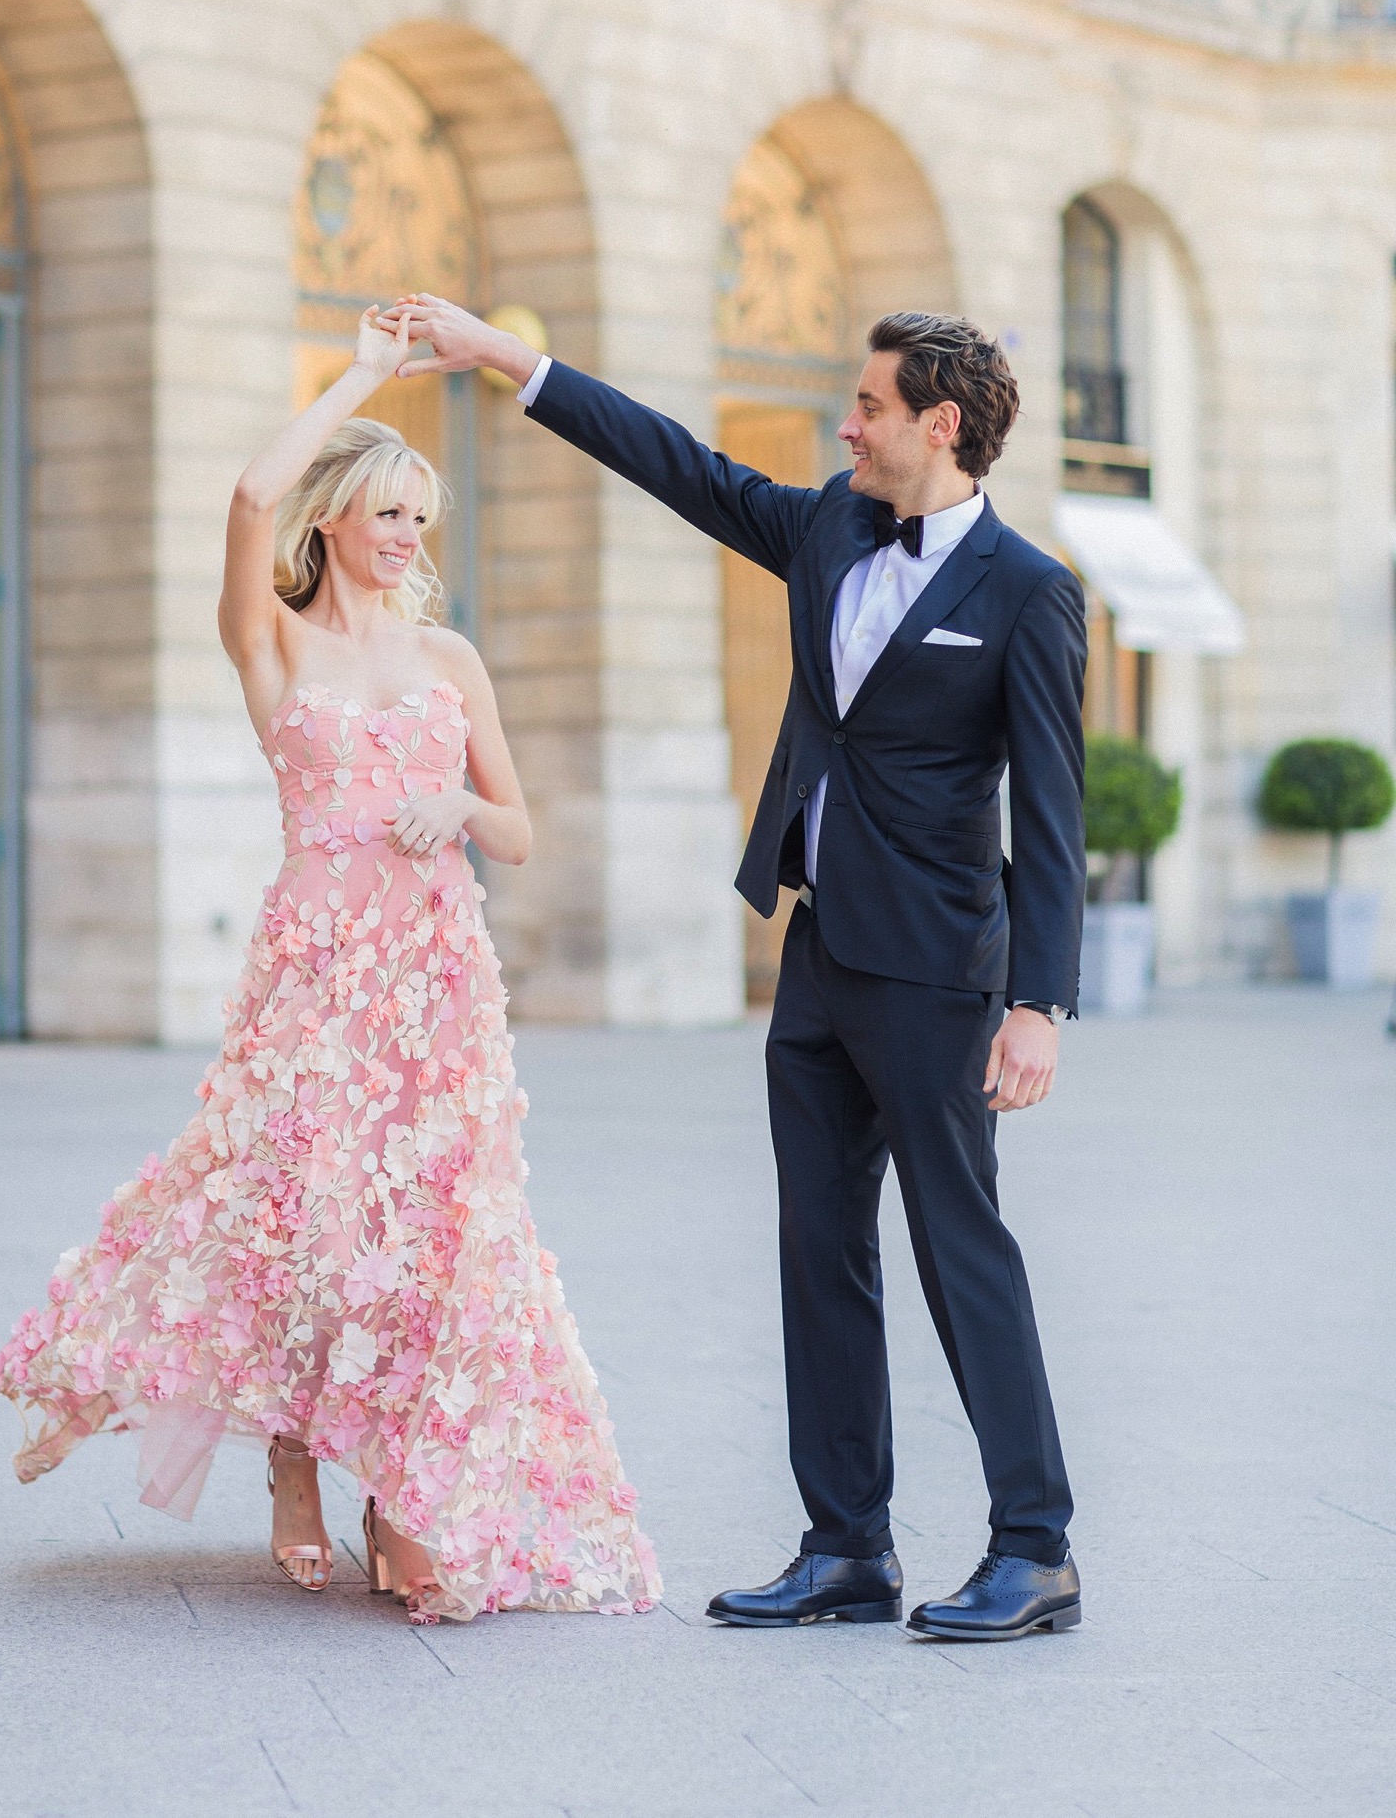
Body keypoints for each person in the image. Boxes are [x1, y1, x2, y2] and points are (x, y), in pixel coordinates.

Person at [381, 296, 1086, 1642]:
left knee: (959, 1249)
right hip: (817, 951)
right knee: (818, 1247)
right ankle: (845, 1548)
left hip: (942, 970)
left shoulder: (1031, 593)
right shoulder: (827, 524)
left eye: (869, 406)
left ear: (939, 425)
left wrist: (1039, 1005)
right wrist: (505, 358)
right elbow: (679, 465)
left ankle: (1035, 1545)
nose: (846, 423)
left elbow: (1054, 815)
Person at [0, 306, 659, 1625]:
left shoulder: (451, 659)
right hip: (312, 982)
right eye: (388, 513)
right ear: (336, 520)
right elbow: (249, 490)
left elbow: (520, 832)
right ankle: (294, 1458)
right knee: (299, 1212)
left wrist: (462, 814)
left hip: (434, 986)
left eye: (421, 516)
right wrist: (365, 370)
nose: (407, 537)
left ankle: (402, 1484)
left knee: (422, 1232)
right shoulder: (275, 646)